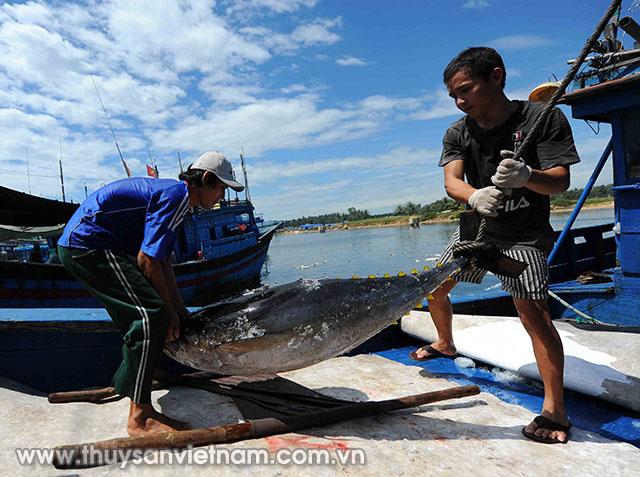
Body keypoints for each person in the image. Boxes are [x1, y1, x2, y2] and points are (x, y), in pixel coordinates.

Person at [410, 47, 579, 444]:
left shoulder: (542, 118)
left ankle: (555, 411)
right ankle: (446, 342)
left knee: (532, 313)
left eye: (466, 89)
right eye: (453, 95)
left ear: (496, 77)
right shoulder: (458, 131)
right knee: (435, 288)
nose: (460, 100)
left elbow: (559, 181)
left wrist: (527, 175)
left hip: (522, 234)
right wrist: (473, 196)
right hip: (477, 229)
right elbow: (451, 181)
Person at [58, 151, 244, 437]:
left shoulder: (178, 199)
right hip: (87, 245)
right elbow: (146, 260)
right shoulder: (176, 196)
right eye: (221, 188)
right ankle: (140, 417)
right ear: (206, 180)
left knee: (147, 316)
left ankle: (132, 381)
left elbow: (163, 261)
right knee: (151, 317)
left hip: (94, 245)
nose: (221, 196)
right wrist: (167, 312)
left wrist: (180, 312)